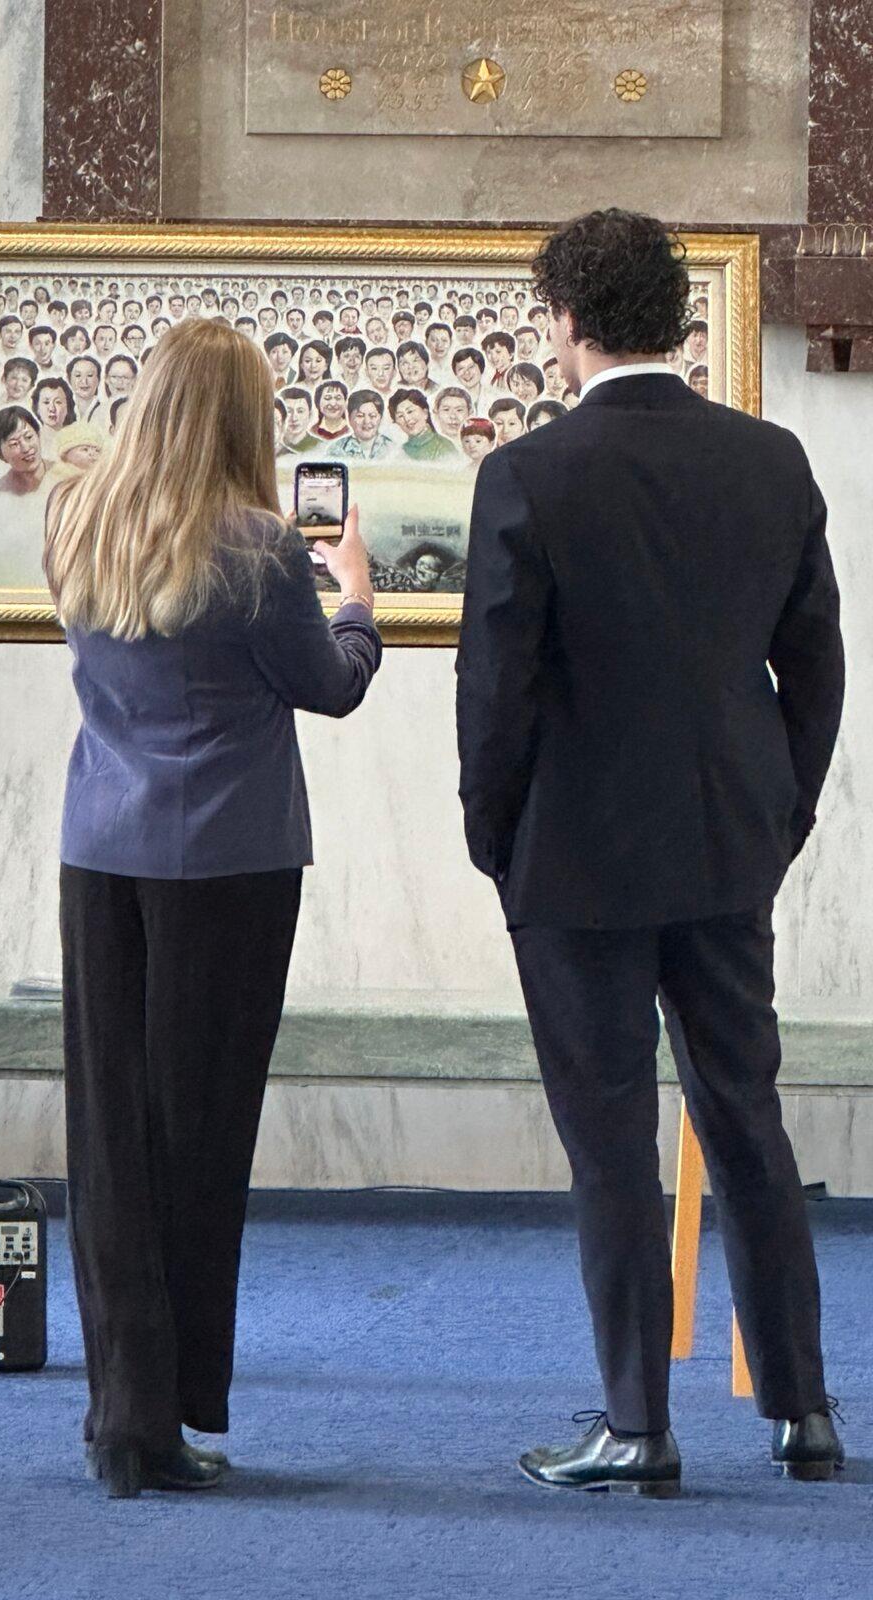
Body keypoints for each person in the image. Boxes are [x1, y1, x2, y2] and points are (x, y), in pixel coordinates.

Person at [456, 208, 845, 1498]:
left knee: (611, 1142)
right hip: (730, 843)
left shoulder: (529, 475)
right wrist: (781, 816)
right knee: (747, 1119)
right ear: (678, 318)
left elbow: (496, 689)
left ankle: (638, 1422)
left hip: (573, 859)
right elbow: (818, 668)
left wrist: (493, 834)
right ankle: (802, 1411)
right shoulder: (770, 460)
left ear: (567, 320)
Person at [43, 317, 381, 1499]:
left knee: (110, 1137)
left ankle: (119, 1412)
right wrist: (358, 599)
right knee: (199, 1134)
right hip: (229, 863)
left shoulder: (76, 516)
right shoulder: (261, 546)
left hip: (101, 850)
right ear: (246, 418)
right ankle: (177, 1406)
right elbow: (329, 687)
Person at [0, 405, 50, 495]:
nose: (26, 448)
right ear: (0, 453)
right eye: (14, 444)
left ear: (38, 434)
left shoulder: (65, 475)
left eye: (29, 437)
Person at [326, 390, 398, 461]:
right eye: (360, 416)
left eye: (372, 416)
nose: (367, 421)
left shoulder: (393, 449)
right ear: (349, 418)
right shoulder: (336, 450)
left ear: (380, 418)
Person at [388, 388, 457, 460]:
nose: (407, 419)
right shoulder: (401, 451)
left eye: (410, 411)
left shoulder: (444, 447)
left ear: (425, 413)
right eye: (400, 416)